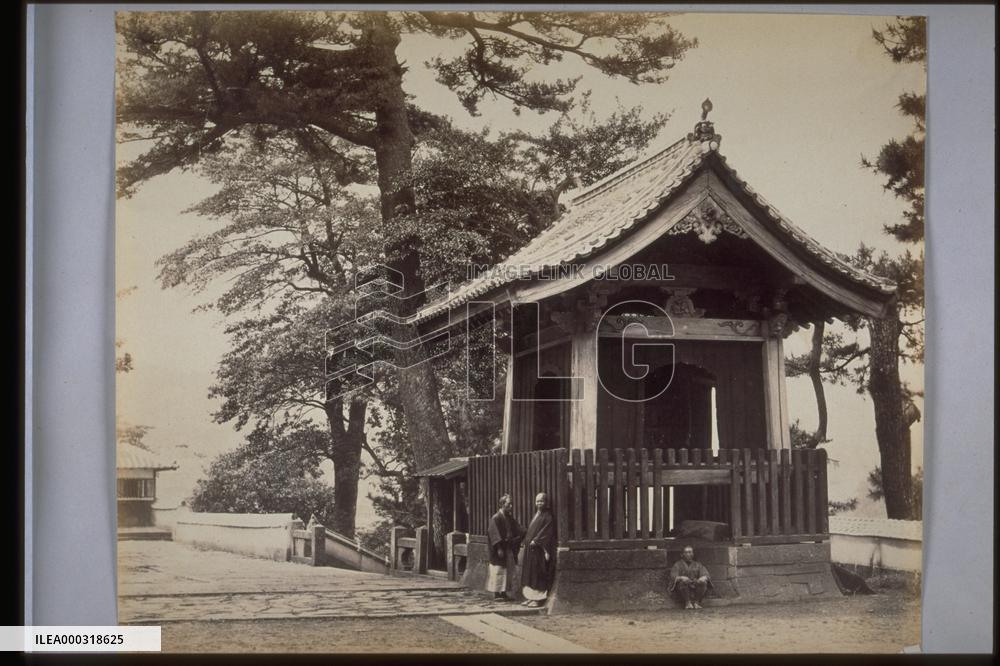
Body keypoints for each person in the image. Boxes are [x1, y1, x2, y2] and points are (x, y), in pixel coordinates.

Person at [520, 492, 556, 608]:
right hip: (531, 549)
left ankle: (538, 599)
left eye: (541, 501)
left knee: (537, 573)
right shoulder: (537, 514)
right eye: (537, 501)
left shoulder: (548, 516)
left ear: (546, 502)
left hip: (539, 549)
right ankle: (530, 597)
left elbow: (546, 532)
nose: (539, 503)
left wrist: (536, 540)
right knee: (530, 573)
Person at [486, 494, 523, 601]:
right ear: (502, 504)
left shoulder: (509, 517)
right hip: (500, 548)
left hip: (508, 547)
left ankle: (504, 592)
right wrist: (498, 548)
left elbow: (518, 528)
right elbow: (494, 534)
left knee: (507, 571)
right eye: (508, 504)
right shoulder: (496, 518)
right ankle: (497, 593)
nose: (511, 506)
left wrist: (525, 532)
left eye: (511, 504)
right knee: (498, 570)